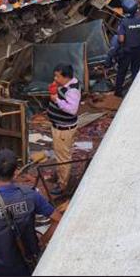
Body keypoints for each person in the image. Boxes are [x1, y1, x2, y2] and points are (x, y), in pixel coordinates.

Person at [0, 149, 62, 276]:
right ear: (16, 172)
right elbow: (58, 220)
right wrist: (42, 241)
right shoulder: (31, 195)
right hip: (28, 264)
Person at [46, 63, 82, 195]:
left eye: (57, 76)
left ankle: (62, 184)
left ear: (66, 77)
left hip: (63, 129)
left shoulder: (72, 91)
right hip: (59, 127)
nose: (55, 78)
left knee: (63, 158)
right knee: (63, 154)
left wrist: (57, 101)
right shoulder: (67, 84)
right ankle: (61, 175)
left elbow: (72, 110)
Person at [114, 0, 140, 98]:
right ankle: (135, 91)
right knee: (136, 69)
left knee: (122, 70)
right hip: (139, 48)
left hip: (127, 50)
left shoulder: (123, 22)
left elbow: (121, 39)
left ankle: (118, 92)